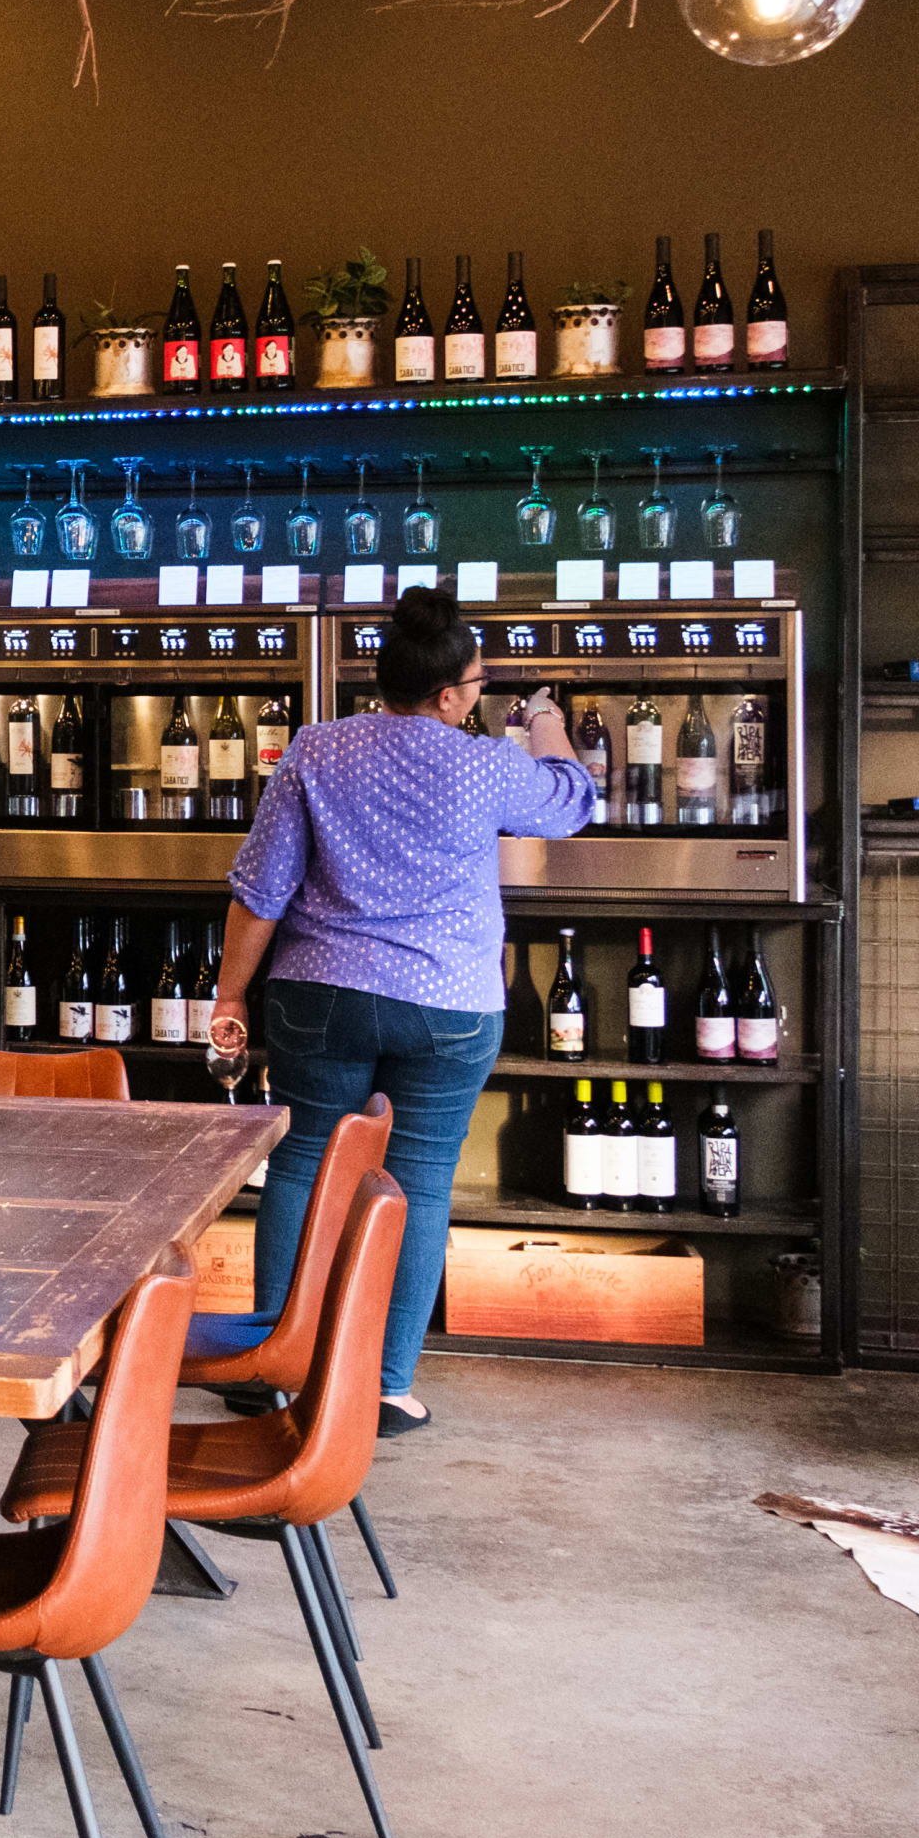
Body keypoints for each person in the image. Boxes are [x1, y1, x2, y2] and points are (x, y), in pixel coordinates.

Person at [209, 584, 595, 1434]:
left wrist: (232, 992)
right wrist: (543, 719)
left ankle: (275, 1367)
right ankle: (383, 1384)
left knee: (304, 1162)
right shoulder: (487, 763)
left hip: (322, 991)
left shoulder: (317, 748)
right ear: (453, 694)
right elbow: (574, 799)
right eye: (478, 682)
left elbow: (260, 891)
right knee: (416, 1183)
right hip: (448, 1004)